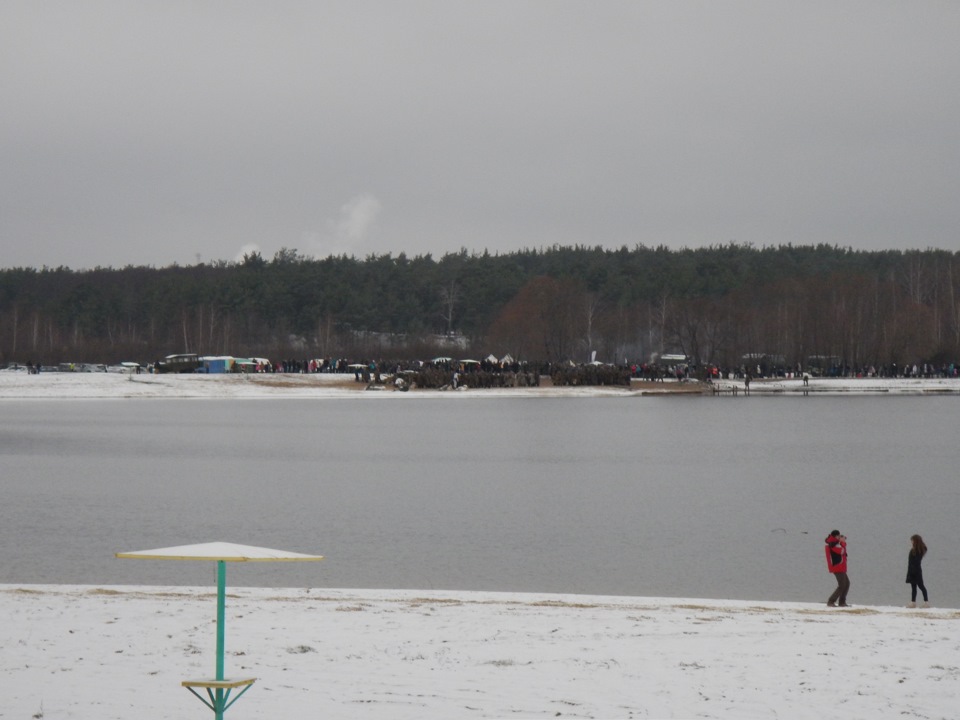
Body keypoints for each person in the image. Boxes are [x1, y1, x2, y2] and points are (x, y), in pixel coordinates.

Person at [824, 530, 851, 607]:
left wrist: (841, 542)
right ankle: (831, 601)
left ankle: (842, 602)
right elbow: (841, 551)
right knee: (842, 585)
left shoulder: (836, 543)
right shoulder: (833, 544)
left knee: (847, 584)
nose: (840, 537)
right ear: (835, 536)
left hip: (841, 567)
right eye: (839, 536)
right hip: (837, 567)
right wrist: (842, 542)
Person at [905, 534, 929, 608]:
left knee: (921, 586)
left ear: (915, 541)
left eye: (912, 540)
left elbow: (916, 562)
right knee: (913, 587)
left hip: (916, 571)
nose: (911, 542)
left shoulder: (917, 551)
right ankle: (913, 602)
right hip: (912, 570)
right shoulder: (915, 550)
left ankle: (926, 602)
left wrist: (913, 571)